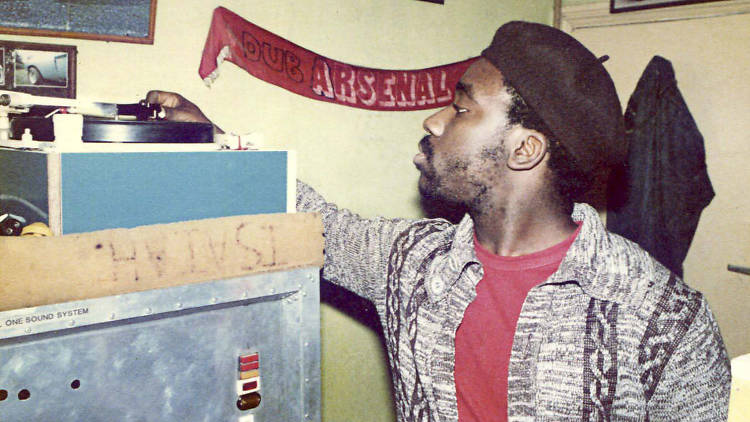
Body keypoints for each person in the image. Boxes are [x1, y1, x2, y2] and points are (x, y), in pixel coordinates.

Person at [147, 20, 730, 422]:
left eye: (460, 107)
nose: (433, 121)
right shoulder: (412, 261)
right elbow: (311, 218)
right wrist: (212, 138)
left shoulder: (664, 321)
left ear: (524, 150)